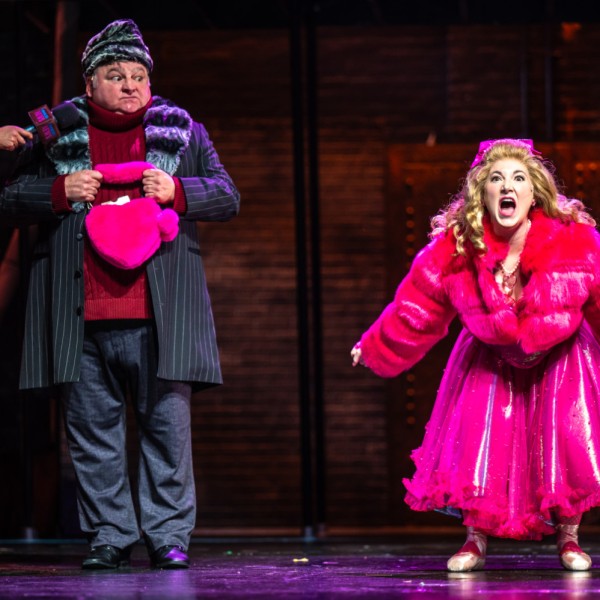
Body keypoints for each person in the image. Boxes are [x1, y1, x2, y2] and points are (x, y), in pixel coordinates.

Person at [0, 19, 240, 569]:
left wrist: (179, 190)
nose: (131, 85)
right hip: (78, 313)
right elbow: (9, 198)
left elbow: (228, 196)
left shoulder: (183, 133)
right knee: (92, 434)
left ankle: (168, 537)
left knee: (166, 433)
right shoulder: (56, 135)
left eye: (138, 75)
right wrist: (57, 191)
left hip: (159, 314)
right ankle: (109, 535)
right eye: (116, 75)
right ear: (90, 85)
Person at [351, 138, 600, 572]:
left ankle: (570, 539)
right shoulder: (457, 248)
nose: (509, 186)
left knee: (567, 439)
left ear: (534, 191)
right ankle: (474, 540)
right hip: (491, 355)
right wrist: (376, 345)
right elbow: (417, 306)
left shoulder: (575, 242)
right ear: (482, 193)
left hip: (561, 359)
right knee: (479, 442)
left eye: (519, 178)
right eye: (497, 179)